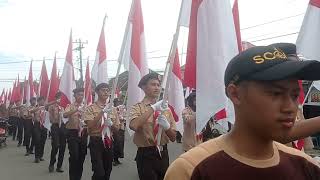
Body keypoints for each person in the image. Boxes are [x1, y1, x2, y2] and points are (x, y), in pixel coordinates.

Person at [164, 43, 320, 179]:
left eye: (294, 95)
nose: (290, 107)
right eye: (276, 94)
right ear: (235, 94)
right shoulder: (192, 169)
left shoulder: (306, 166)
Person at [129, 73, 176, 180]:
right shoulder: (137, 108)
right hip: (146, 154)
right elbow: (134, 125)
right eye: (153, 84)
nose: (157, 87)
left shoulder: (166, 109)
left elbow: (173, 138)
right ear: (144, 87)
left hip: (163, 152)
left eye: (158, 85)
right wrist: (153, 108)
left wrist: (167, 127)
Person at [83, 83, 120, 180]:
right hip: (96, 141)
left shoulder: (113, 109)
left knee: (108, 170)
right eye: (103, 90)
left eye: (108, 90)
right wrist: (102, 112)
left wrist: (111, 125)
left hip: (109, 141)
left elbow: (117, 129)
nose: (106, 92)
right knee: (98, 171)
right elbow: (90, 126)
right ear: (97, 92)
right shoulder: (90, 108)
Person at [63, 88, 88, 180]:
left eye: (82, 95)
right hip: (72, 133)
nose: (80, 96)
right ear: (74, 96)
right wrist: (76, 109)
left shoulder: (87, 107)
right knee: (74, 156)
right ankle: (72, 177)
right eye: (78, 94)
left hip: (83, 133)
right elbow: (65, 115)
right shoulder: (70, 106)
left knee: (82, 156)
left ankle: (78, 177)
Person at [48, 92, 66, 173]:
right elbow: (51, 119)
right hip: (55, 126)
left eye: (61, 98)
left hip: (63, 127)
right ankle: (52, 163)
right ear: (56, 98)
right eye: (59, 98)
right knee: (55, 145)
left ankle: (59, 166)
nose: (60, 99)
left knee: (62, 147)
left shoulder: (65, 107)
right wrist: (58, 115)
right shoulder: (52, 107)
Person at [30, 96, 47, 163]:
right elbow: (31, 111)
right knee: (37, 140)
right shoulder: (35, 108)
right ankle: (36, 157)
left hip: (44, 125)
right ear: (38, 101)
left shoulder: (46, 108)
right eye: (40, 100)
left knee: (43, 141)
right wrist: (38, 108)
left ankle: (41, 156)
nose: (42, 102)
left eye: (43, 100)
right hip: (37, 125)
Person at [112, 98, 126, 166]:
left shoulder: (122, 110)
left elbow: (126, 118)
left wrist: (122, 117)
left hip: (122, 129)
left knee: (120, 144)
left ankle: (117, 158)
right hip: (115, 129)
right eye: (117, 102)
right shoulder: (113, 110)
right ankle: (114, 159)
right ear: (114, 103)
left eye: (119, 102)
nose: (118, 104)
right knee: (116, 144)